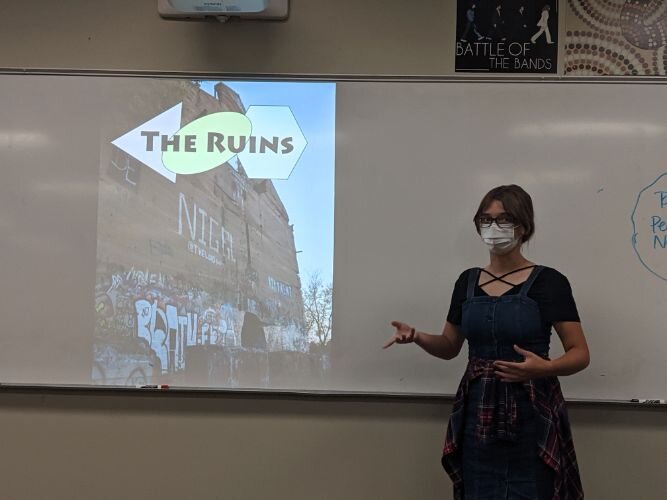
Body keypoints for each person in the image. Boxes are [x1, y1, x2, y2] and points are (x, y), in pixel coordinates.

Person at [384, 185, 588, 499]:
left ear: (524, 226)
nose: (493, 228)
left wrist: (543, 369)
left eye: (504, 219)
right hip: (477, 414)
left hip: (532, 412)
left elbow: (580, 354)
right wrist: (417, 337)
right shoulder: (467, 282)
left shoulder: (550, 282)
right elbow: (450, 346)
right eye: (486, 219)